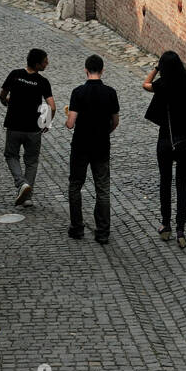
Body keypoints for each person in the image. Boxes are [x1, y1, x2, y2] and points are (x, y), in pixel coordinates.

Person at [143, 51, 186, 247]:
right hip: (185, 140)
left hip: (166, 140)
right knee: (182, 184)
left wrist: (156, 68)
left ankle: (165, 225)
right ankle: (181, 229)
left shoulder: (162, 85)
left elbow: (145, 84)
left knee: (165, 182)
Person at [66, 54, 120, 243]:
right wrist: (105, 131)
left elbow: (71, 123)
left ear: (85, 70)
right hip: (101, 146)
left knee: (75, 186)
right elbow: (115, 121)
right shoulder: (110, 92)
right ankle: (103, 231)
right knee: (102, 189)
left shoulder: (78, 92)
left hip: (80, 146)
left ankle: (77, 228)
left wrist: (68, 118)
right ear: (102, 70)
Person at [0, 48, 55, 207]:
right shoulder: (43, 82)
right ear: (37, 64)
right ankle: (27, 196)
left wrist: (6, 102)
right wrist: (46, 122)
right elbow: (52, 107)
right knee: (31, 161)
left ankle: (21, 183)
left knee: (11, 156)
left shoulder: (15, 74)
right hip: (33, 129)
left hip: (14, 126)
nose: (47, 63)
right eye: (45, 61)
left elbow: (2, 95)